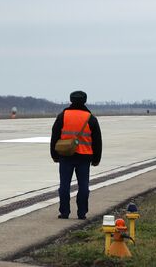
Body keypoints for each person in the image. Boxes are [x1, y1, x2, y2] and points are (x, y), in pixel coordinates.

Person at [50, 91, 102, 220]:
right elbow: (97, 141)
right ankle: (82, 213)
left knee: (64, 186)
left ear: (70, 100)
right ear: (85, 101)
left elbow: (54, 136)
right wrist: (96, 159)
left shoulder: (62, 116)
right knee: (84, 186)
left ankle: (64, 212)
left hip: (65, 155)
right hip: (84, 156)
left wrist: (54, 155)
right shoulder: (90, 118)